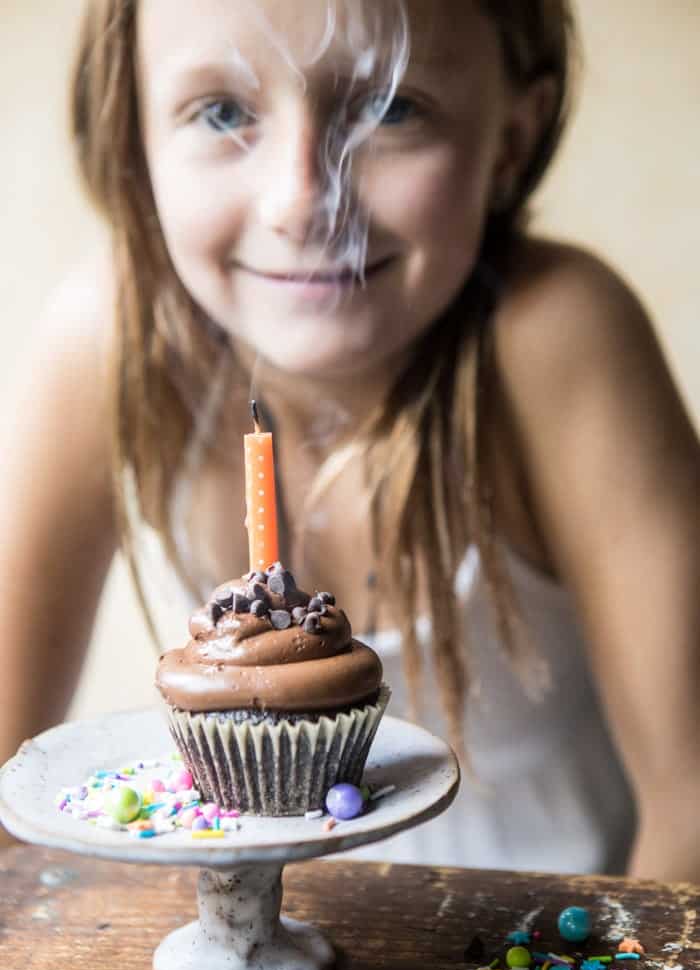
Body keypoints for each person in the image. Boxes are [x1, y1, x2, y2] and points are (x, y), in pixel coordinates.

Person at [1, 0, 698, 877]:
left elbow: (693, 807)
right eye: (222, 112)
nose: (303, 200)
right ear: (133, 142)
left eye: (391, 107)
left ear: (509, 141)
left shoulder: (556, 342)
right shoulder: (110, 341)